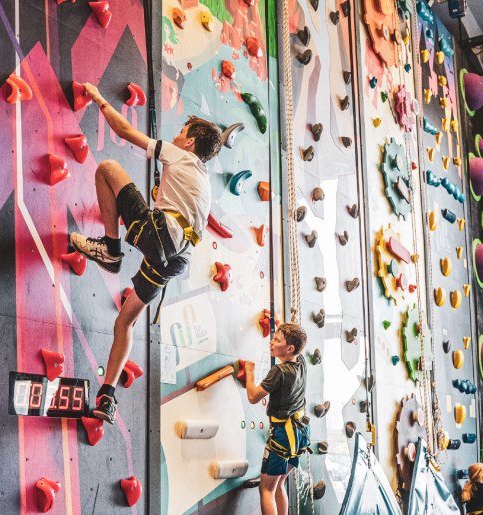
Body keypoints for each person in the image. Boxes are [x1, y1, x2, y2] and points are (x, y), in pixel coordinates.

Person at [69, 83, 222, 424]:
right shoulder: (204, 181)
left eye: (183, 132)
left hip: (161, 237)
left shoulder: (183, 156)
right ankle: (107, 395)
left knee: (107, 168)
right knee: (126, 320)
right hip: (175, 260)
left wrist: (97, 97)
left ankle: (110, 249)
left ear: (191, 142)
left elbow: (123, 130)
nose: (178, 135)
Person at [243, 323, 309, 515]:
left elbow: (253, 396)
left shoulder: (279, 372)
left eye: (277, 340)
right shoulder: (301, 363)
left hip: (283, 436)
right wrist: (281, 327)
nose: (271, 343)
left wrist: (249, 373)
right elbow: (294, 340)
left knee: (266, 488)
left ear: (289, 349)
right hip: (300, 435)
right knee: (279, 483)